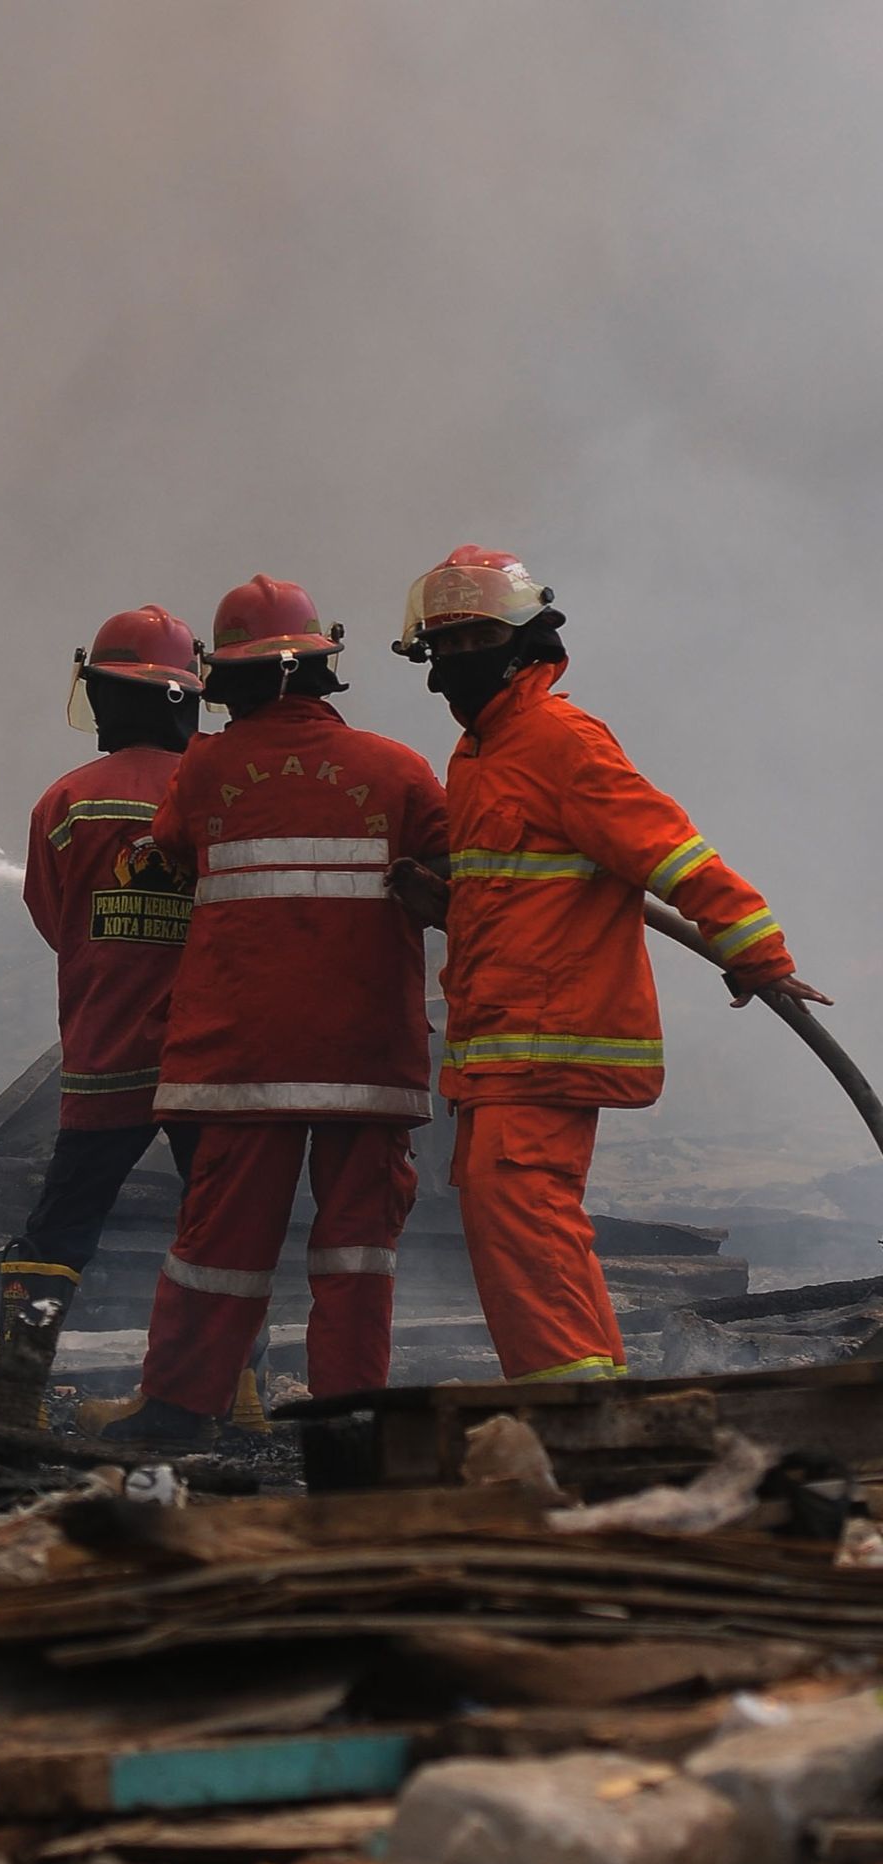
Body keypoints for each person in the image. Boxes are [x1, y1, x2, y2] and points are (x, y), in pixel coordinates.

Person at [388, 545, 831, 1384]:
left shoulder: (559, 739)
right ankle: (598, 1397)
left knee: (520, 1210)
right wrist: (442, 903)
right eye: (438, 648)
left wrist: (756, 954)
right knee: (522, 1217)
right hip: (499, 1038)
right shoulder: (480, 758)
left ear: (524, 643)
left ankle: (577, 1422)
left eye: (468, 641)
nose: (450, 665)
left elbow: (674, 853)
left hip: (550, 1034)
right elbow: (525, 901)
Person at [104, 574, 450, 1454]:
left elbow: (173, 855)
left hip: (240, 1063)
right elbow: (459, 888)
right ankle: (351, 1423)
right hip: (367, 1064)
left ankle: (179, 1410)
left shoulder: (207, 770)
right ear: (323, 671)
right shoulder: (402, 770)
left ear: (229, 681)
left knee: (219, 1246)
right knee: (356, 1253)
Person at [0, 604, 204, 1431]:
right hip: (210, 1058)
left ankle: (15, 1401)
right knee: (223, 1232)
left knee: (58, 1231)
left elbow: (51, 916)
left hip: (107, 1055)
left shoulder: (68, 800)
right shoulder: (225, 788)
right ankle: (233, 1396)